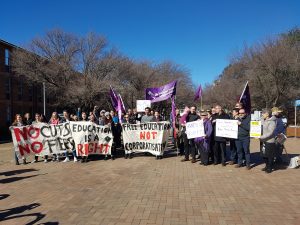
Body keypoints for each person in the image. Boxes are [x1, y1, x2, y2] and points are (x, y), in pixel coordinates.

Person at [259, 108, 277, 173]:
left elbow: (270, 133)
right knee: (264, 154)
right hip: (262, 140)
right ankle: (266, 165)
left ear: (267, 114)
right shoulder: (262, 119)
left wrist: (261, 136)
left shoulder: (272, 122)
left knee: (269, 155)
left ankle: (270, 167)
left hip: (269, 141)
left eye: (263, 113)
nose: (262, 114)